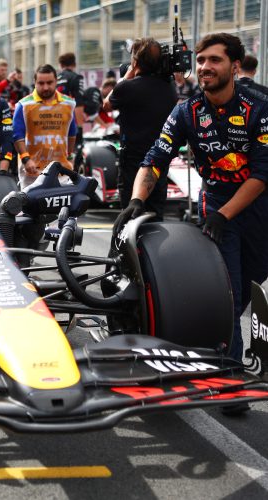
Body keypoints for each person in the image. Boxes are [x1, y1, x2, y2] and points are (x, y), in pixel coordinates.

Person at [112, 33, 268, 364]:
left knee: (246, 290)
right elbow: (154, 159)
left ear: (235, 66)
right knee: (227, 292)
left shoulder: (260, 108)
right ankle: (227, 370)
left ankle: (217, 347)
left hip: (258, 208)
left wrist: (225, 214)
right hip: (216, 207)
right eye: (201, 60)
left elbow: (262, 175)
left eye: (215, 60)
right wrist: (137, 200)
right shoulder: (186, 111)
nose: (205, 67)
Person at [104, 37, 177, 220]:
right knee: (155, 213)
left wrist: (127, 75)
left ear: (135, 62)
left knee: (130, 213)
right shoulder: (169, 87)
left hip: (133, 160)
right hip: (160, 158)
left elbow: (106, 104)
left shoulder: (127, 87)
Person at [13, 64, 77, 187]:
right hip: (32, 172)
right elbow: (17, 136)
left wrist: (70, 155)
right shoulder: (24, 105)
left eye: (49, 83)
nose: (46, 87)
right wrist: (26, 159)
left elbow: (72, 132)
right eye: (41, 83)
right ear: (35, 82)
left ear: (56, 81)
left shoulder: (69, 104)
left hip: (61, 171)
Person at [56, 52, 86, 129]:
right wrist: (80, 127)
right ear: (74, 64)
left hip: (53, 119)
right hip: (69, 122)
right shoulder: (76, 78)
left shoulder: (54, 79)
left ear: (61, 65)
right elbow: (78, 103)